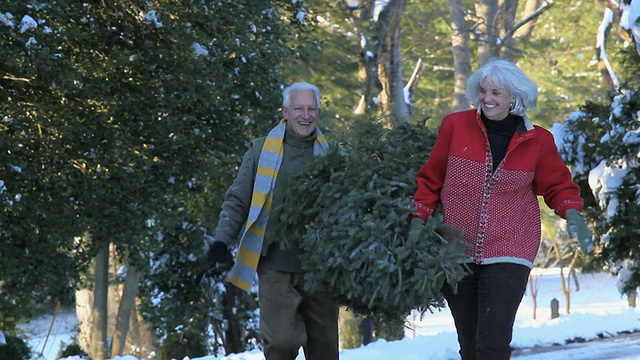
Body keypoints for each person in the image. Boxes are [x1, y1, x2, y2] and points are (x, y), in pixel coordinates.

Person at [410, 59, 593, 360]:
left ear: (514, 96)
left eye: (496, 92)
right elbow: (431, 177)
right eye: (483, 91)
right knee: (470, 345)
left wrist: (572, 211)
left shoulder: (538, 140)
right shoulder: (455, 126)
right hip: (456, 249)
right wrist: (419, 216)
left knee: (492, 344)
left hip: (512, 247)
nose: (487, 98)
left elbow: (558, 185)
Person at [204, 82, 339, 360]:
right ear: (285, 111)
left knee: (325, 348)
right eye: (298, 108)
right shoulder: (259, 151)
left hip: (320, 267)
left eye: (311, 109)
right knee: (280, 342)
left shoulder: (333, 155)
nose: (306, 115)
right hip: (274, 264)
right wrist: (221, 242)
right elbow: (237, 200)